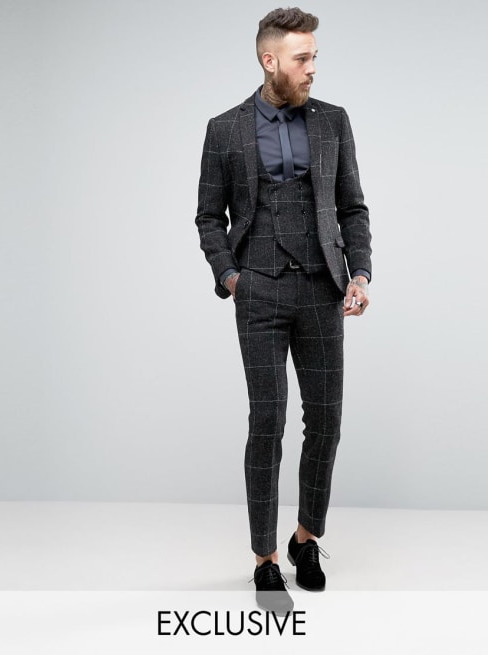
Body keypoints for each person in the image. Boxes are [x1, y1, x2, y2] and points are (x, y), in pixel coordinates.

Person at [195, 7, 372, 613]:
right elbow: (208, 217)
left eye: (315, 56)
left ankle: (305, 539)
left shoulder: (333, 122)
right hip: (260, 292)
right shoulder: (225, 128)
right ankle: (265, 559)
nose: (313, 68)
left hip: (323, 289)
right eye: (302, 58)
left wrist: (361, 273)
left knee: (326, 421)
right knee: (266, 423)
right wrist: (231, 277)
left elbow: (352, 207)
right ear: (269, 60)